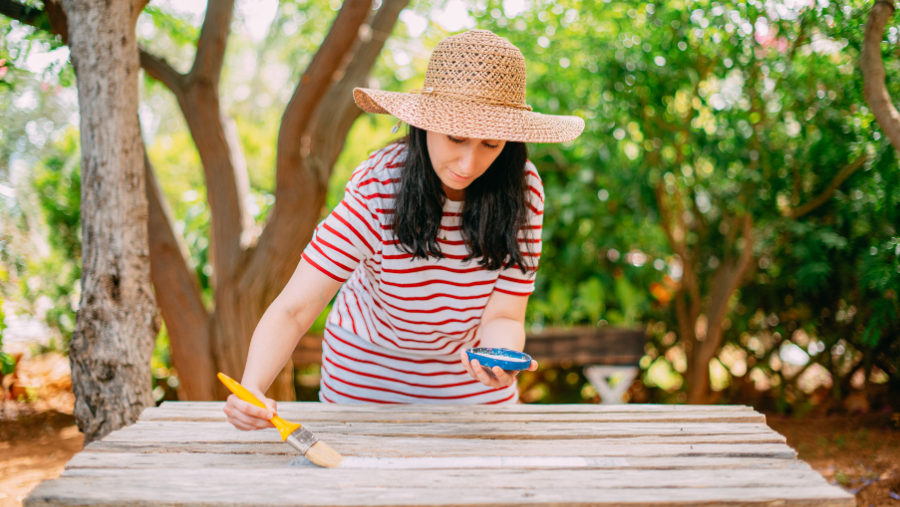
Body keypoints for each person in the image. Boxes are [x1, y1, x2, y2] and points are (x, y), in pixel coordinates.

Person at [224, 29, 584, 430]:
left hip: (468, 384)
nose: (468, 163)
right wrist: (253, 386)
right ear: (424, 123)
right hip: (365, 378)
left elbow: (504, 314)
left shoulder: (523, 190)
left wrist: (498, 356)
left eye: (491, 144)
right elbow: (296, 307)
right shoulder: (380, 185)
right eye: (456, 137)